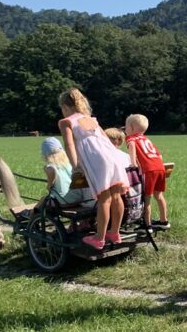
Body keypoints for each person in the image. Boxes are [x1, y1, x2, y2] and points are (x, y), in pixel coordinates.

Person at [58, 88, 128, 250]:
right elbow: (105, 139)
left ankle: (99, 237)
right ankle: (114, 233)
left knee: (104, 198)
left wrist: (76, 166)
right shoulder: (91, 120)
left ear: (65, 107)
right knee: (116, 196)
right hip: (113, 157)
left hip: (97, 160)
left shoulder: (66, 122)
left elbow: (69, 145)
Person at [125, 114, 170, 231]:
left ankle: (147, 225)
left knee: (146, 199)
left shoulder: (131, 139)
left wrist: (133, 164)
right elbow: (159, 155)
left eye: (126, 127)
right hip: (160, 168)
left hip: (148, 171)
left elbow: (133, 154)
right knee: (159, 196)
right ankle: (164, 221)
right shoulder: (147, 139)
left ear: (131, 127)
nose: (125, 130)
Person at [41, 137, 85, 205]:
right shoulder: (71, 163)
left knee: (44, 199)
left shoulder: (51, 166)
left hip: (63, 200)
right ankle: (31, 212)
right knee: (44, 199)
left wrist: (49, 186)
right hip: (78, 198)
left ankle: (30, 213)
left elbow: (50, 172)